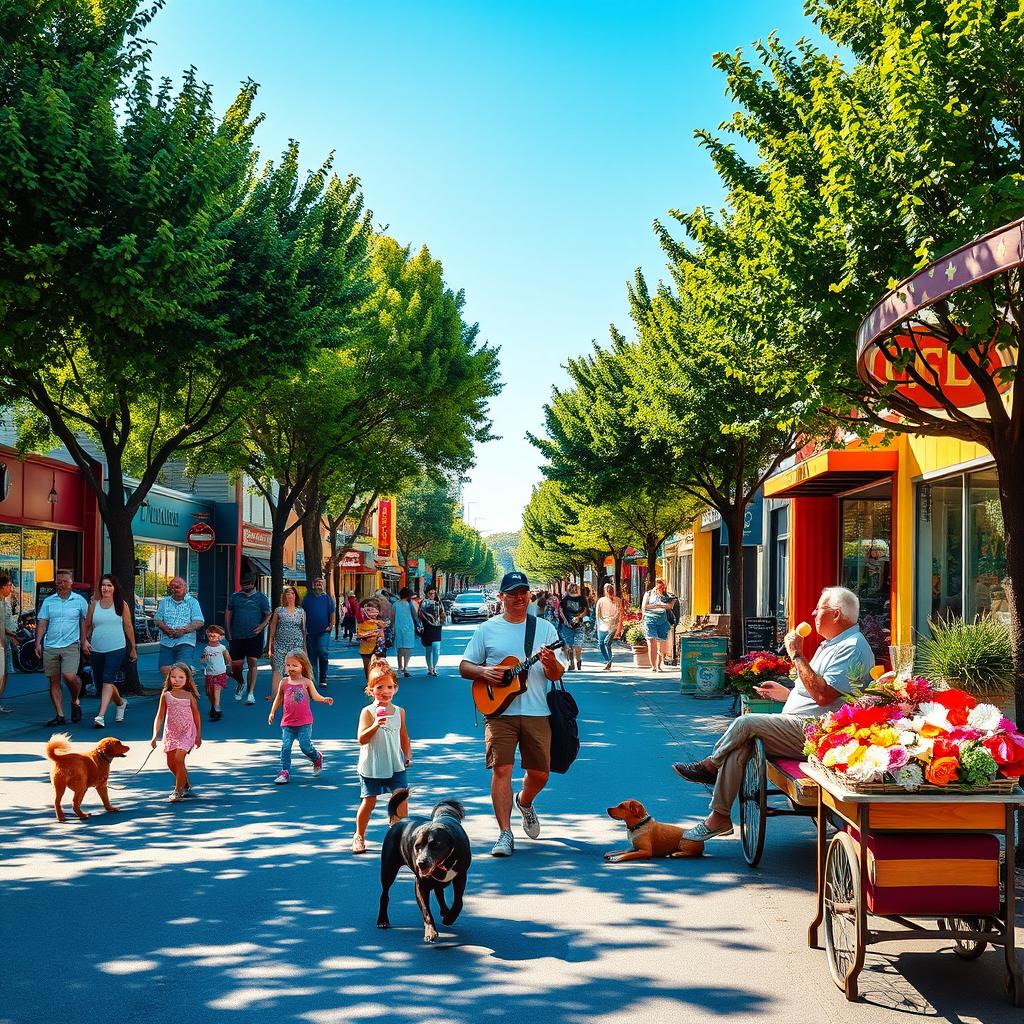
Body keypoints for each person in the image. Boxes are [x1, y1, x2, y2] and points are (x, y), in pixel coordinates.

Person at [672, 586, 875, 841]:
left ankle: (711, 765)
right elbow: (821, 694)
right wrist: (788, 694)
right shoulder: (832, 644)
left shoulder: (852, 645)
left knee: (744, 724)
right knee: (740, 746)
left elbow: (824, 696)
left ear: (836, 614)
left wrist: (797, 655)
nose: (813, 613)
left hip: (816, 731)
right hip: (800, 723)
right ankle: (718, 817)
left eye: (819, 608)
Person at [459, 571, 565, 857]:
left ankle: (525, 801)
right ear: (502, 597)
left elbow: (557, 674)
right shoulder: (487, 629)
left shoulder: (545, 629)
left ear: (529, 595)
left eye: (523, 592)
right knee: (501, 769)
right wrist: (484, 671)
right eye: (512, 593)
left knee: (540, 774)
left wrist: (551, 662)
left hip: (537, 710)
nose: (519, 598)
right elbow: (464, 666)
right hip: (499, 714)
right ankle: (505, 833)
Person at [352, 656, 411, 853]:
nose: (385, 691)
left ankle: (399, 832)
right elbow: (361, 738)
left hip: (395, 762)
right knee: (369, 801)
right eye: (379, 687)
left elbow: (404, 735)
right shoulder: (367, 712)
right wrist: (375, 725)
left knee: (401, 797)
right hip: (373, 764)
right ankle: (359, 835)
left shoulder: (399, 712)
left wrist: (408, 755)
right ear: (370, 690)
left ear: (395, 688)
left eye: (389, 687)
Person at [269, 649, 333, 785]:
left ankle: (317, 757)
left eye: (294, 665)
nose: (290, 668)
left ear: (302, 666)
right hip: (287, 722)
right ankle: (285, 771)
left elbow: (315, 696)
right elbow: (278, 698)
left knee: (305, 746)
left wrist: (324, 699)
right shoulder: (284, 682)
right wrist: (272, 712)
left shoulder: (306, 682)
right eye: (288, 665)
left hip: (304, 722)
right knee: (285, 747)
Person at [36, 569, 90, 727]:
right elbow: (43, 621)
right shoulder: (49, 601)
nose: (61, 584)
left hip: (71, 644)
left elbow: (85, 621)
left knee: (69, 676)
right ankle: (59, 714)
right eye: (59, 581)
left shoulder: (79, 601)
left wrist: (84, 640)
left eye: (65, 581)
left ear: (71, 582)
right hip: (51, 645)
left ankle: (75, 700)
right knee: (54, 680)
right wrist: (38, 642)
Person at [85, 574, 135, 729]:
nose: (105, 588)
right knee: (102, 684)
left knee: (108, 679)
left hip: (116, 647)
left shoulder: (121, 605)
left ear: (114, 588)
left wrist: (133, 648)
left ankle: (100, 716)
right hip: (97, 648)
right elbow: (87, 625)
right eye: (103, 585)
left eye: (109, 585)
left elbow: (128, 626)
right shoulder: (94, 605)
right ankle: (120, 703)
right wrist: (84, 641)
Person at [150, 662, 202, 802]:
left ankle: (177, 791)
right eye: (173, 677)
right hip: (171, 732)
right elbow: (160, 716)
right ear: (169, 678)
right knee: (171, 763)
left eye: (181, 677)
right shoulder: (166, 695)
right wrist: (155, 735)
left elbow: (196, 715)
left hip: (187, 731)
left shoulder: (189, 696)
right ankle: (184, 783)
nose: (177, 680)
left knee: (179, 759)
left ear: (187, 679)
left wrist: (198, 735)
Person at [225, 574, 272, 706]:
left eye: (247, 584)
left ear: (253, 584)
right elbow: (228, 614)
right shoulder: (235, 597)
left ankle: (250, 693)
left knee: (252, 661)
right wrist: (228, 631)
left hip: (254, 636)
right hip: (237, 635)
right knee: (236, 667)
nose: (244, 587)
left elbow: (268, 614)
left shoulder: (261, 598)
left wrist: (262, 626)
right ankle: (241, 683)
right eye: (243, 584)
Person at [154, 577, 204, 683]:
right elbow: (157, 619)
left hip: (185, 640)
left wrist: (184, 630)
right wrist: (164, 627)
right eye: (172, 587)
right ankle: (176, 688)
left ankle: (179, 692)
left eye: (178, 587)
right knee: (164, 669)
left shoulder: (193, 602)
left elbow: (199, 621)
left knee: (181, 669)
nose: (175, 589)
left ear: (185, 587)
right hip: (167, 640)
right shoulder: (164, 602)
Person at [268, 586, 306, 701]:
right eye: (288, 593)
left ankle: (297, 694)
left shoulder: (301, 611)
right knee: (278, 668)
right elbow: (273, 627)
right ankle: (275, 695)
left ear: (296, 596)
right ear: (284, 596)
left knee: (295, 668)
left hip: (296, 644)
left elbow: (304, 630)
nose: (290, 596)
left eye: (293, 593)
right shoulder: (279, 610)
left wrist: (304, 647)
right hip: (280, 644)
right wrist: (270, 645)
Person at [302, 577, 336, 689]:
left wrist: (331, 625)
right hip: (310, 631)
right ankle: (312, 680)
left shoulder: (327, 598)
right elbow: (303, 614)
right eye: (316, 583)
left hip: (324, 631)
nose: (318, 585)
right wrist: (304, 628)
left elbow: (332, 612)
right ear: (313, 585)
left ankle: (323, 677)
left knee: (322, 651)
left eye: (320, 583)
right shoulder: (307, 599)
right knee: (312, 656)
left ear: (323, 585)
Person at [199, 624, 230, 720]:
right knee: (209, 692)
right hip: (209, 673)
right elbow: (202, 660)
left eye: (214, 635)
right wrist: (204, 657)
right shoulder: (206, 649)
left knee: (217, 688)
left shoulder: (222, 648)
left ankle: (217, 707)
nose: (211, 637)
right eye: (210, 635)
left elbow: (228, 659)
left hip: (220, 672)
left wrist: (229, 670)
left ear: (219, 637)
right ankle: (213, 705)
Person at [640, 578, 671, 672]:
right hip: (650, 620)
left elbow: (670, 606)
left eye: (663, 586)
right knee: (651, 642)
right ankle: (653, 666)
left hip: (662, 621)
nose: (661, 588)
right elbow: (644, 606)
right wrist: (658, 606)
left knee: (661, 644)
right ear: (656, 585)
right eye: (660, 585)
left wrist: (661, 605)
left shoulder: (666, 595)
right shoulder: (648, 594)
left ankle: (659, 664)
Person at [557, 582, 587, 671]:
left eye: (575, 588)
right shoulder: (565, 599)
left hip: (579, 625)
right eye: (572, 588)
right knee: (569, 646)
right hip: (567, 626)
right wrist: (565, 621)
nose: (574, 590)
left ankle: (578, 661)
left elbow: (585, 611)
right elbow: (561, 610)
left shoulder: (581, 599)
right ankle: (571, 663)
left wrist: (579, 617)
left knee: (577, 646)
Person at [417, 584, 445, 677]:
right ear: (426, 593)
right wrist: (421, 626)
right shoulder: (423, 602)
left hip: (437, 627)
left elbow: (442, 613)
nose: (432, 595)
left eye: (433, 593)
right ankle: (429, 668)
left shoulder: (438, 602)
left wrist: (442, 620)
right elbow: (419, 615)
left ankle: (434, 667)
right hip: (426, 627)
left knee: (436, 648)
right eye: (430, 593)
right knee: (428, 649)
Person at [357, 597, 387, 679]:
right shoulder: (362, 622)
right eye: (369, 610)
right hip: (365, 649)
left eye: (376, 610)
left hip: (377, 648)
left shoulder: (380, 622)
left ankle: (376, 682)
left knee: (377, 666)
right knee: (367, 667)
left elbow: (383, 631)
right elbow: (359, 634)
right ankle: (369, 683)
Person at [595, 583, 622, 671]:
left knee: (604, 643)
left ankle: (608, 660)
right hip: (607, 625)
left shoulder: (617, 600)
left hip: (608, 625)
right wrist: (619, 627)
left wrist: (618, 627)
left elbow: (620, 614)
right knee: (604, 643)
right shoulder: (602, 601)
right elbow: (598, 614)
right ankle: (608, 660)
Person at [392, 587, 417, 677]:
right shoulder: (410, 604)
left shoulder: (395, 604)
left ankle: (399, 667)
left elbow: (393, 616)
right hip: (409, 628)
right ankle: (405, 668)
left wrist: (391, 626)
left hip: (398, 627)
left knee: (400, 648)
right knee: (408, 648)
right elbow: (416, 615)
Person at [0, 574, 16, 714]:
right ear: (3, 586)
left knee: (5, 673)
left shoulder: (5, 601)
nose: (11, 588)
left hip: (5, 640)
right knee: (2, 673)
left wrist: (11, 635)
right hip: (1, 643)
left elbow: (3, 624)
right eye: (9, 585)